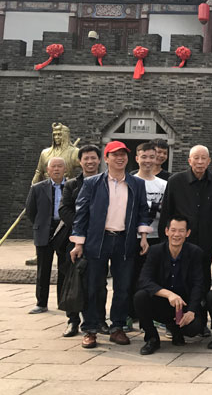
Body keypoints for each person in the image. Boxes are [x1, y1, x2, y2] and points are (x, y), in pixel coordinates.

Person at [70, 140, 152, 349]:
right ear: (106, 159)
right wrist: (78, 243)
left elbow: (143, 211)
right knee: (93, 286)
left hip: (125, 240)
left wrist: (143, 236)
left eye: (123, 154)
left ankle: (117, 327)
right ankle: (90, 329)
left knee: (123, 287)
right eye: (114, 154)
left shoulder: (136, 184)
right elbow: (81, 214)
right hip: (98, 240)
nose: (120, 158)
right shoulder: (93, 183)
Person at [159, 145, 212, 336]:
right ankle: (173, 322)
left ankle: (201, 321)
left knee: (202, 281)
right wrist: (165, 239)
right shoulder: (176, 181)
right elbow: (167, 211)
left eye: (203, 158)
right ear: (189, 161)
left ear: (209, 162)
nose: (199, 162)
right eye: (196, 158)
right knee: (177, 279)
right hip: (180, 242)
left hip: (206, 242)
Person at [134, 216, 205, 355]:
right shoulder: (155, 251)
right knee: (140, 297)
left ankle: (176, 330)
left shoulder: (195, 252)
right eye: (173, 230)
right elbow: (144, 280)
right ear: (166, 231)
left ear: (188, 233)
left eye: (181, 231)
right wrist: (168, 294)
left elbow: (198, 284)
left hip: (183, 305)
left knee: (194, 328)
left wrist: (191, 311)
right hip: (161, 302)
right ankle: (152, 338)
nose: (176, 234)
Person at [59, 144, 104, 337]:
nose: (90, 161)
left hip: (99, 240)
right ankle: (73, 320)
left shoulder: (106, 183)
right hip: (75, 239)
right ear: (80, 161)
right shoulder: (71, 185)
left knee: (99, 282)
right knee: (73, 280)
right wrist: (83, 228)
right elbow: (64, 209)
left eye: (93, 158)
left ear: (99, 160)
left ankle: (99, 320)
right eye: (86, 158)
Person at [130, 142, 168, 328]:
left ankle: (154, 314)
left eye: (151, 157)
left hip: (156, 238)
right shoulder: (129, 181)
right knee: (130, 276)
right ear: (137, 158)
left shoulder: (164, 185)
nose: (148, 160)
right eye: (143, 157)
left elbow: (167, 212)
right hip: (131, 237)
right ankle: (130, 314)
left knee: (154, 276)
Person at [25, 156, 68, 315]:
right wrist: (41, 224)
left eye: (60, 166)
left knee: (64, 268)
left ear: (65, 169)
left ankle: (63, 302)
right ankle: (41, 303)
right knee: (43, 269)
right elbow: (31, 210)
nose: (56, 169)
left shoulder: (71, 187)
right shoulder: (37, 188)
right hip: (44, 230)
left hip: (65, 230)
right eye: (53, 166)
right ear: (48, 170)